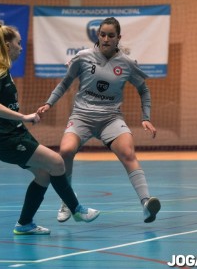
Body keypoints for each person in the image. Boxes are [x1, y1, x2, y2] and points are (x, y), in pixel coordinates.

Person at [0, 23, 100, 235]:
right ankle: (76, 209)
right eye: (18, 43)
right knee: (57, 162)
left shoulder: (2, 71)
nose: (21, 47)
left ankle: (24, 224)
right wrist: (24, 116)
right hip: (9, 140)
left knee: (44, 174)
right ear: (7, 45)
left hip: (16, 135)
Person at [37, 17, 161, 224]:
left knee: (128, 152)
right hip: (82, 116)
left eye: (111, 35)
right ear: (98, 36)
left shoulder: (127, 64)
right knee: (65, 151)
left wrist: (145, 117)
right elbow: (65, 82)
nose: (106, 38)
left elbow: (144, 90)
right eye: (102, 34)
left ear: (118, 38)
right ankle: (67, 202)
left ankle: (146, 204)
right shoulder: (83, 57)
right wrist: (49, 104)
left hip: (110, 118)